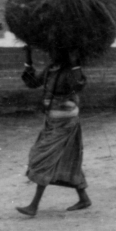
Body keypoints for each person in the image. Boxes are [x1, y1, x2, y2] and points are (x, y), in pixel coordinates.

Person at [16, 47, 92, 217]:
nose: (51, 54)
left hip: (65, 123)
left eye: (55, 52)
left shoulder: (69, 72)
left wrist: (75, 64)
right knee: (68, 159)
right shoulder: (51, 70)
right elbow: (32, 83)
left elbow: (79, 85)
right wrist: (28, 59)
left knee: (43, 157)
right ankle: (84, 198)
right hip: (52, 121)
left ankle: (33, 206)